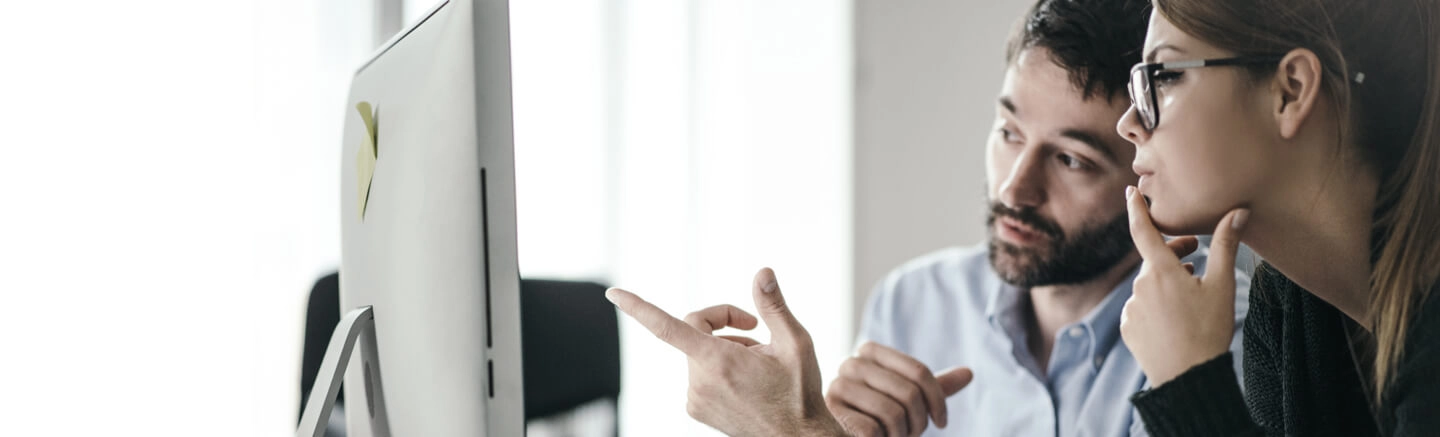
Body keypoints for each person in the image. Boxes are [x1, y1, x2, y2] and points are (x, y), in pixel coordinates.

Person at [605, 0, 1249, 435]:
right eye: (1008, 131)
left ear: (1147, 163)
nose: (1016, 188)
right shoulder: (915, 301)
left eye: (1072, 160)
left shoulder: (1227, 334)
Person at [1112, 0, 1440, 436]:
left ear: (1291, 90)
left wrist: (1189, 384)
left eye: (1165, 75)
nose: (1127, 123)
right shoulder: (1284, 311)